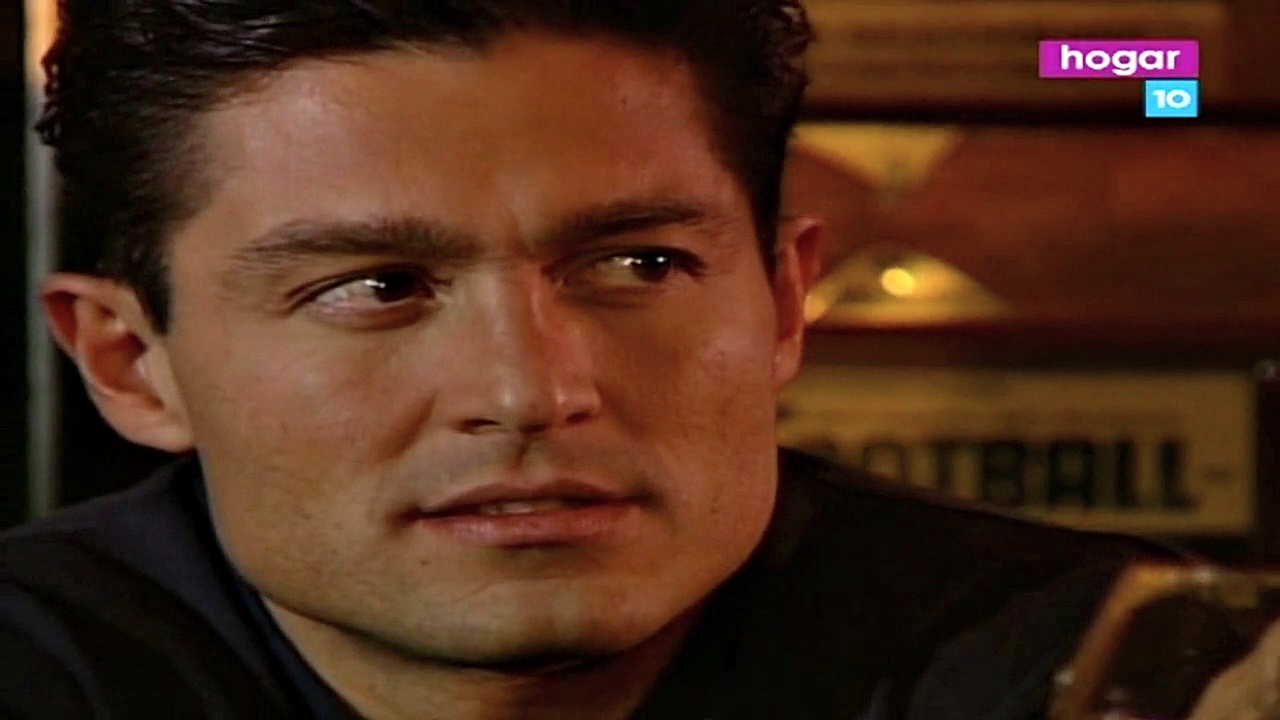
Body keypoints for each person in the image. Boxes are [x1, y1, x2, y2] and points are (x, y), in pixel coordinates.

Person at [0, 2, 1260, 718]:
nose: (531, 391)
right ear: (131, 364)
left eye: (639, 265)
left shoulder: (1107, 666)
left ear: (781, 302)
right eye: (377, 289)